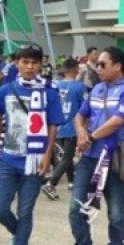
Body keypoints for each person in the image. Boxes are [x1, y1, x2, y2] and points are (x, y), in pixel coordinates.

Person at [64, 47, 124, 245]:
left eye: (102, 64)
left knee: (116, 211)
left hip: (115, 158)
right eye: (96, 64)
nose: (97, 68)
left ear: (117, 66)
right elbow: (80, 115)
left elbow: (118, 121)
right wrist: (80, 133)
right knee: (76, 209)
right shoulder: (96, 89)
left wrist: (91, 137)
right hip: (89, 158)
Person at [0, 43, 62, 245]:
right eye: (25, 62)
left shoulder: (50, 91)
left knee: (25, 210)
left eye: (34, 62)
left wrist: (48, 155)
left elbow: (53, 126)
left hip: (35, 160)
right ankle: (17, 234)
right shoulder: (7, 89)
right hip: (8, 158)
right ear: (17, 63)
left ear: (41, 64)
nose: (30, 67)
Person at [42, 58, 86, 200]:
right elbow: (85, 109)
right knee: (67, 157)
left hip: (56, 127)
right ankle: (51, 183)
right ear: (74, 69)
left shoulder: (55, 85)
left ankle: (71, 181)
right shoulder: (79, 87)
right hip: (72, 127)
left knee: (64, 157)